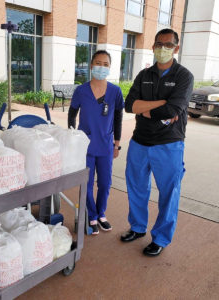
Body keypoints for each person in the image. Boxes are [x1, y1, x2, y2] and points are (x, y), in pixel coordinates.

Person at [121, 29, 194, 256]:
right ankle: (138, 227)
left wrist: (146, 108)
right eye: (159, 44)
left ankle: (161, 238)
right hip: (139, 142)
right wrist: (160, 104)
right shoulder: (144, 75)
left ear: (176, 48)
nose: (163, 48)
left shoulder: (184, 76)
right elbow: (129, 105)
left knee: (169, 192)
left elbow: (173, 109)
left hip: (169, 144)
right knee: (136, 187)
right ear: (153, 46)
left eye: (168, 45)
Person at [68, 50, 124, 235]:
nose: (101, 67)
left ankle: (101, 214)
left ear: (110, 67)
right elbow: (72, 113)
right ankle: (91, 215)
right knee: (87, 183)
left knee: (106, 183)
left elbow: (118, 117)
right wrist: (71, 136)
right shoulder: (81, 90)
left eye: (105, 64)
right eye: (98, 63)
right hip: (85, 146)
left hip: (106, 145)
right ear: (91, 65)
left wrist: (117, 142)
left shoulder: (115, 91)